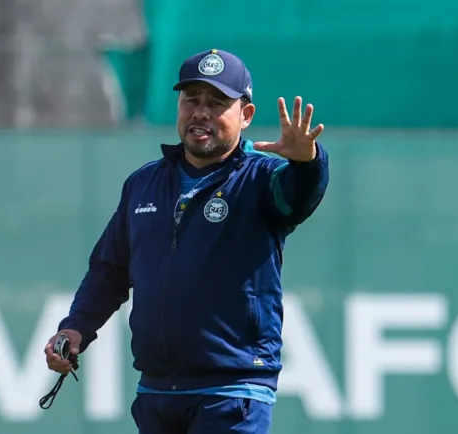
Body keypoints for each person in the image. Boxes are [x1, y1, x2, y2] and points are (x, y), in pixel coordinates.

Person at [43, 48, 329, 434]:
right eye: (192, 100)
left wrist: (307, 162)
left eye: (217, 103)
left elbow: (299, 195)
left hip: (231, 393)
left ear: (245, 115)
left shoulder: (261, 179)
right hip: (157, 393)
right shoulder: (144, 183)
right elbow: (109, 271)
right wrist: (76, 327)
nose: (201, 113)